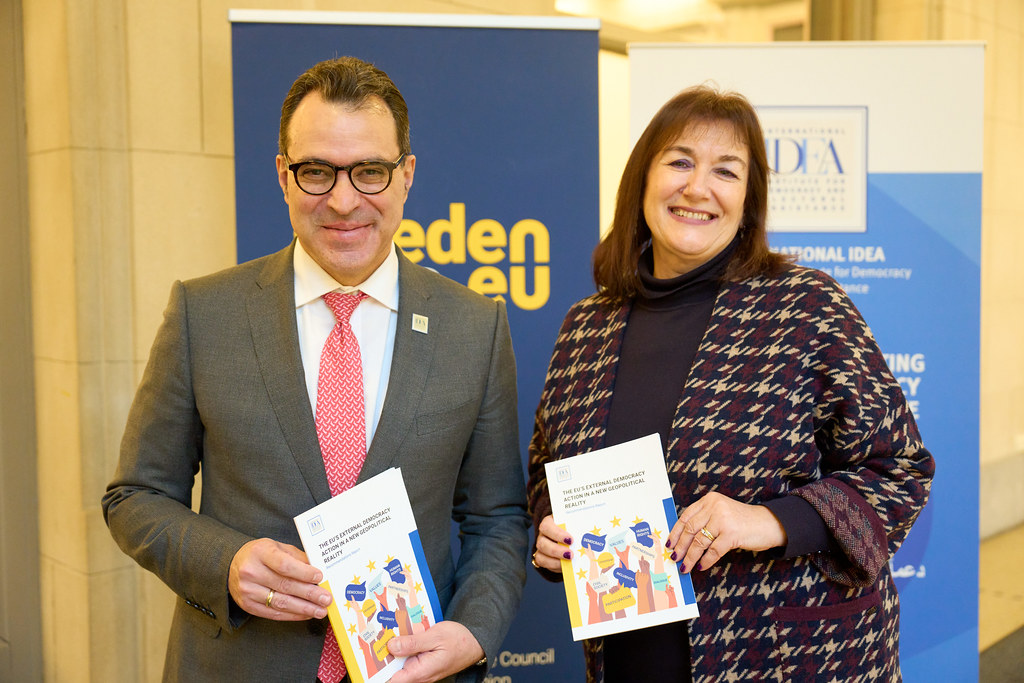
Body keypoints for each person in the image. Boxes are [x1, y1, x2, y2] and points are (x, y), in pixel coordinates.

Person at [102, 56, 529, 683]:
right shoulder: (204, 313)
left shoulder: (476, 328)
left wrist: (473, 631)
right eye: (316, 171)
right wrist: (226, 562)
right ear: (283, 175)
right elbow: (134, 497)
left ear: (406, 176)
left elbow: (496, 519)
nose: (344, 200)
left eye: (371, 172)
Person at [527, 85, 934, 682]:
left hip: (793, 655)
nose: (698, 188)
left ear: (748, 200)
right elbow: (546, 463)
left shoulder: (805, 307)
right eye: (681, 161)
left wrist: (767, 521)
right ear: (643, 179)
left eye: (726, 170)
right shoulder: (587, 325)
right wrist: (548, 529)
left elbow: (900, 467)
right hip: (629, 655)